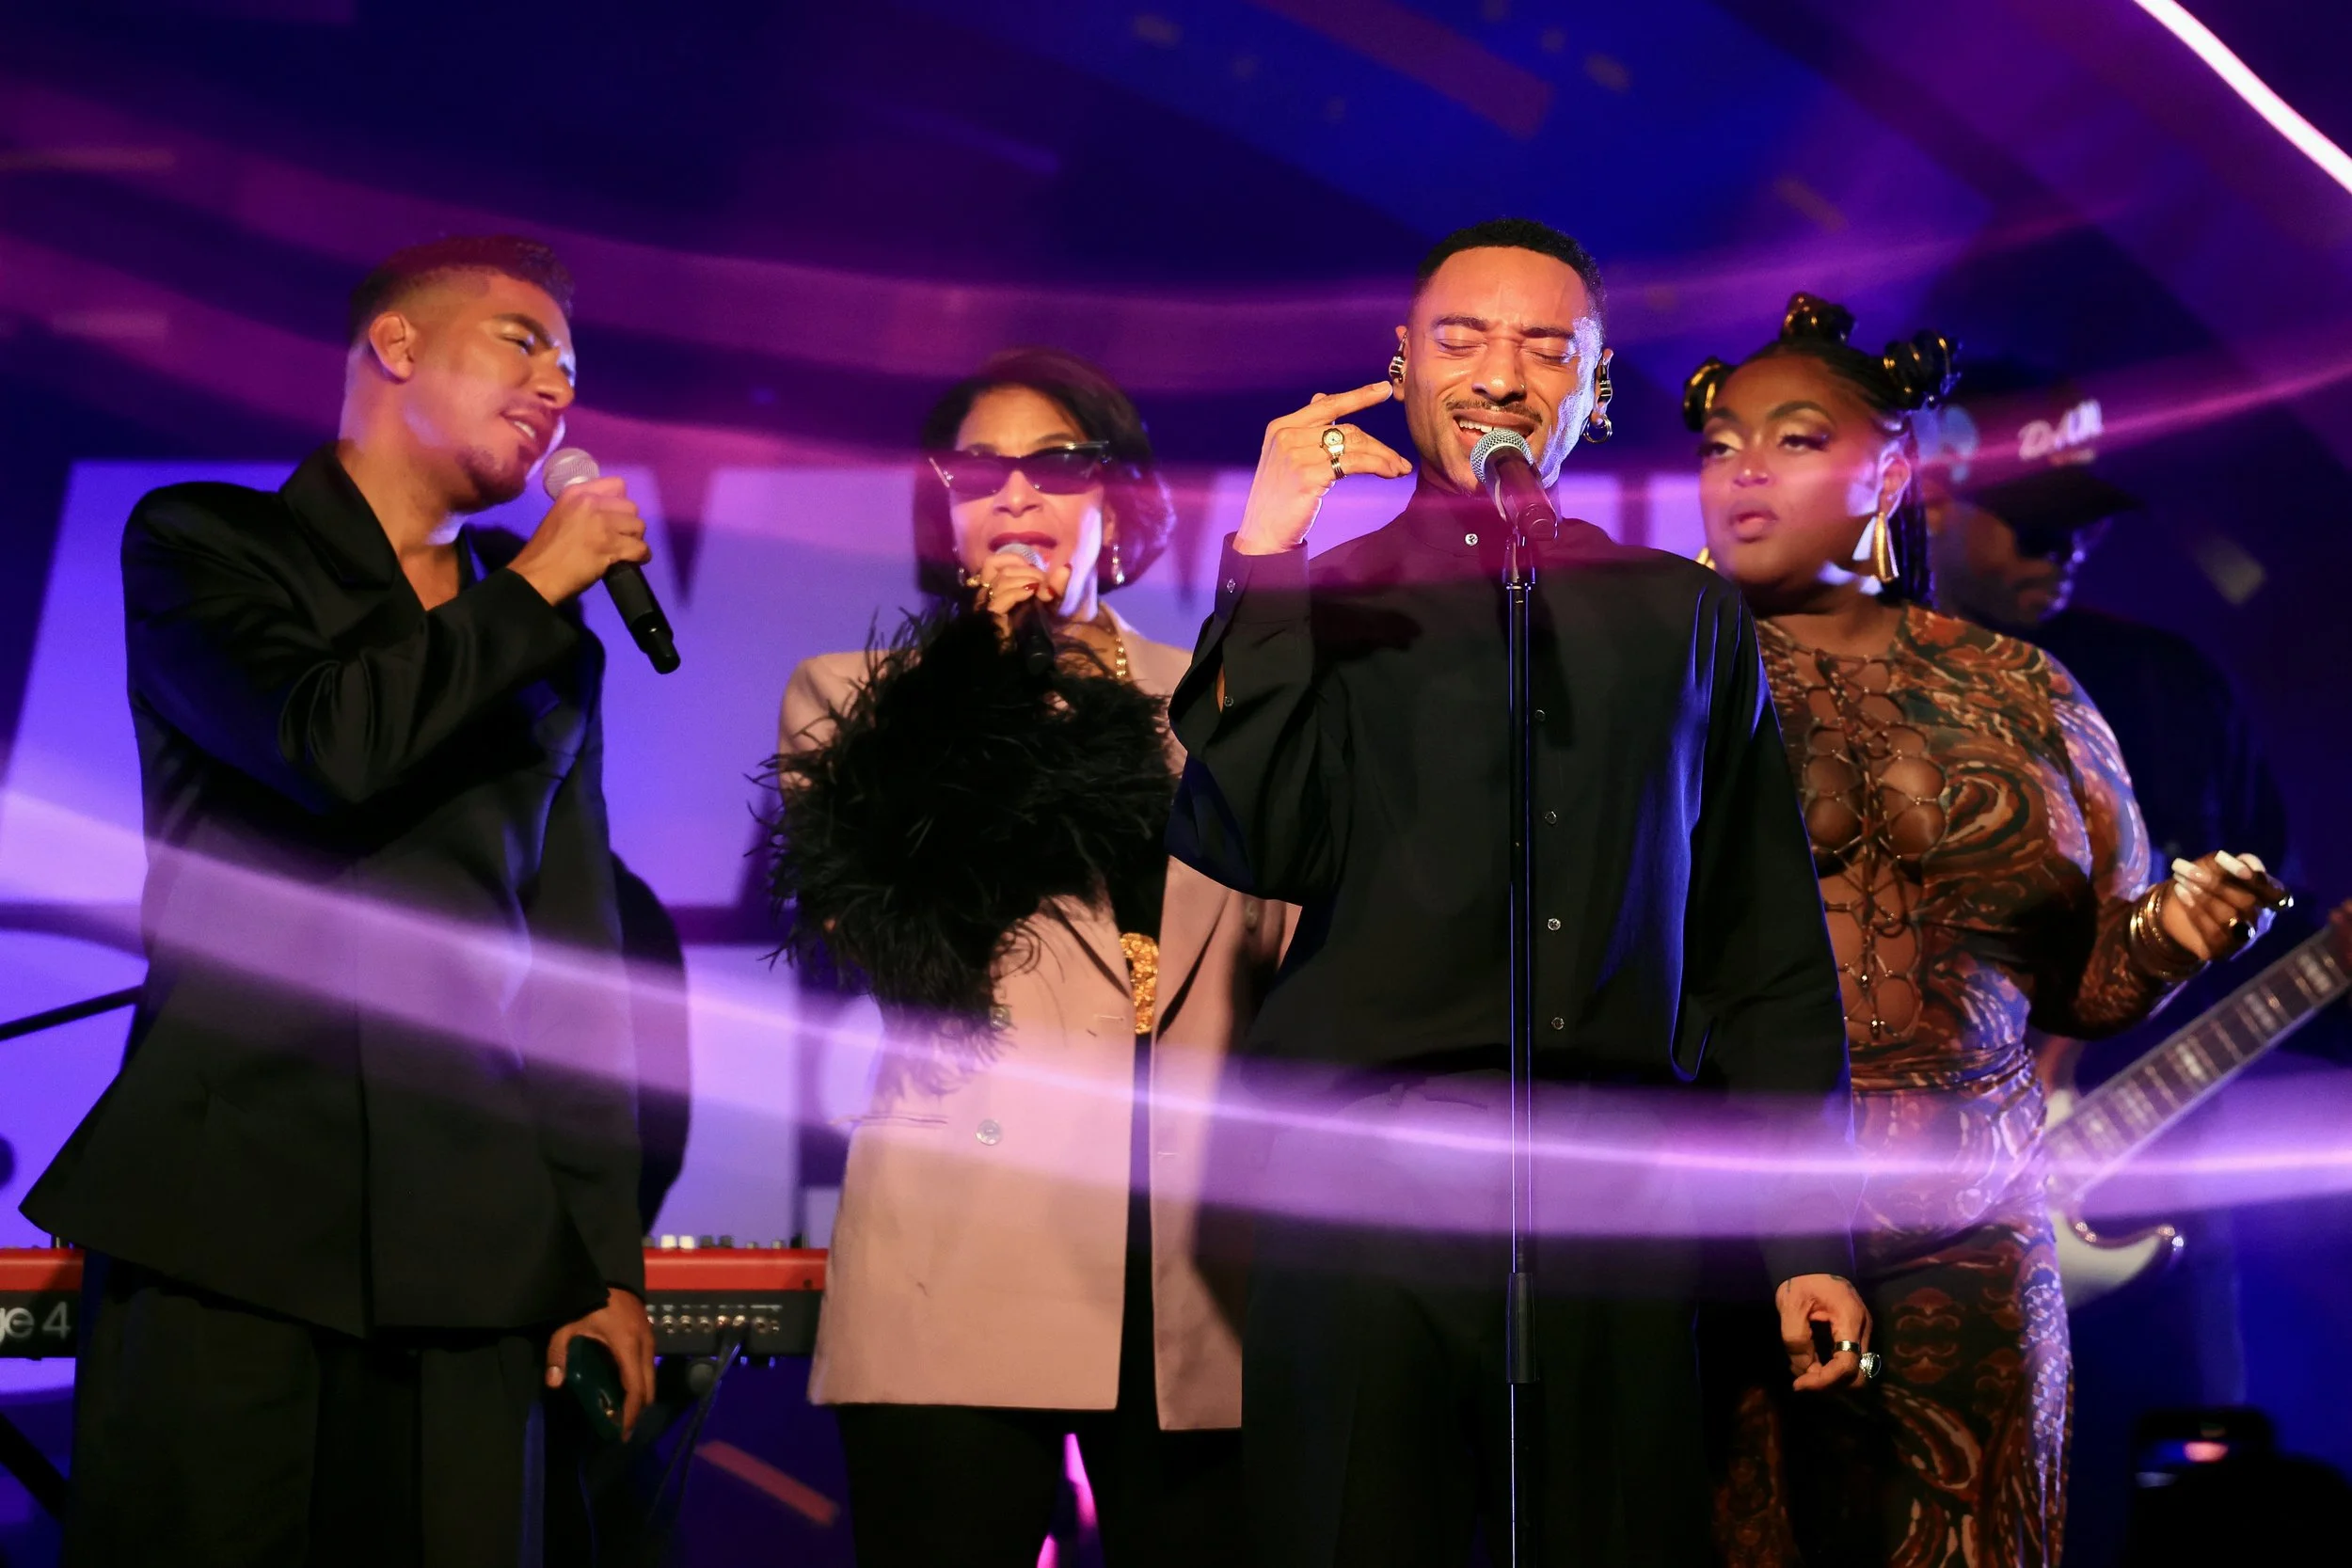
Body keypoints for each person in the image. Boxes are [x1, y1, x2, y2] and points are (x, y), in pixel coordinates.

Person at [1164, 217, 1872, 1568]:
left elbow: (1762, 942)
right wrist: (1264, 549)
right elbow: (1253, 842)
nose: (1501, 374)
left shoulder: (1682, 614)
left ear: (1595, 392)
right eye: (1461, 337)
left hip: (1611, 1183)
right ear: (1399, 364)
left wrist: (1806, 1234)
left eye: (1547, 346)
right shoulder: (1324, 597)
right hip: (1364, 1179)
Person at [23, 236, 656, 1566]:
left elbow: (579, 966)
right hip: (231, 1214)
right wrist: (539, 581)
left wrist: (604, 1260)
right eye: (523, 339)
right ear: (398, 345)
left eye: (574, 367)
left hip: (477, 1248)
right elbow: (325, 743)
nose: (557, 386)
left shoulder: (549, 648)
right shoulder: (207, 543)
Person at [1684, 293, 2293, 1567]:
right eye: (1721, 437)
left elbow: (2089, 985)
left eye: (1794, 437)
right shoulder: (1659, 672)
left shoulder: (2025, 690)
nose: (1744, 464)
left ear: (1893, 469)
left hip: (1974, 1242)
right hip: (1722, 1222)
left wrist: (2180, 933)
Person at [766, 346, 1289, 1568]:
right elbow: (898, 940)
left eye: (1057, 463)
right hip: (965, 1239)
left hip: (1193, 1259)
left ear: (1125, 502)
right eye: (978, 469)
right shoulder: (853, 699)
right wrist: (988, 678)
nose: (1015, 493)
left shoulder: (1214, 702)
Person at [1920, 365, 2352, 1566]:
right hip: (1928, 1217)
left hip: (2160, 1209)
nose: (2063, 550)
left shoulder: (2167, 681)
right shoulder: (1864, 684)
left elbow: (2268, 917)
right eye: (2031, 522)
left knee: (2178, 1526)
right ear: (1927, 504)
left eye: (2082, 523)